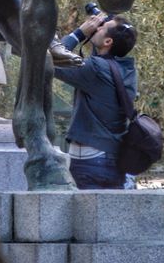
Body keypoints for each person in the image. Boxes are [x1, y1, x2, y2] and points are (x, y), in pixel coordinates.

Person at [53, 11, 138, 189]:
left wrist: (80, 33)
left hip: (91, 162)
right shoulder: (127, 70)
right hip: (112, 158)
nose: (96, 27)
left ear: (108, 42)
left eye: (102, 27)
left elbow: (50, 58)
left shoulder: (96, 69)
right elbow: (101, 57)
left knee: (87, 216)